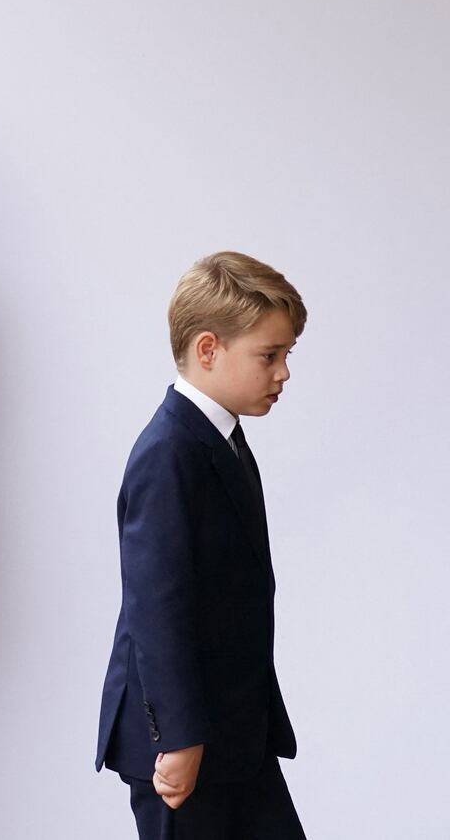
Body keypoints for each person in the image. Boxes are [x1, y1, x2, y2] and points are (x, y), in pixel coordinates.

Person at [95, 252, 309, 839]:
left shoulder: (223, 437)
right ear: (208, 348)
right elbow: (155, 607)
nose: (283, 372)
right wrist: (181, 738)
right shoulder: (169, 451)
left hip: (235, 731)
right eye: (269, 355)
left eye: (287, 355)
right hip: (182, 744)